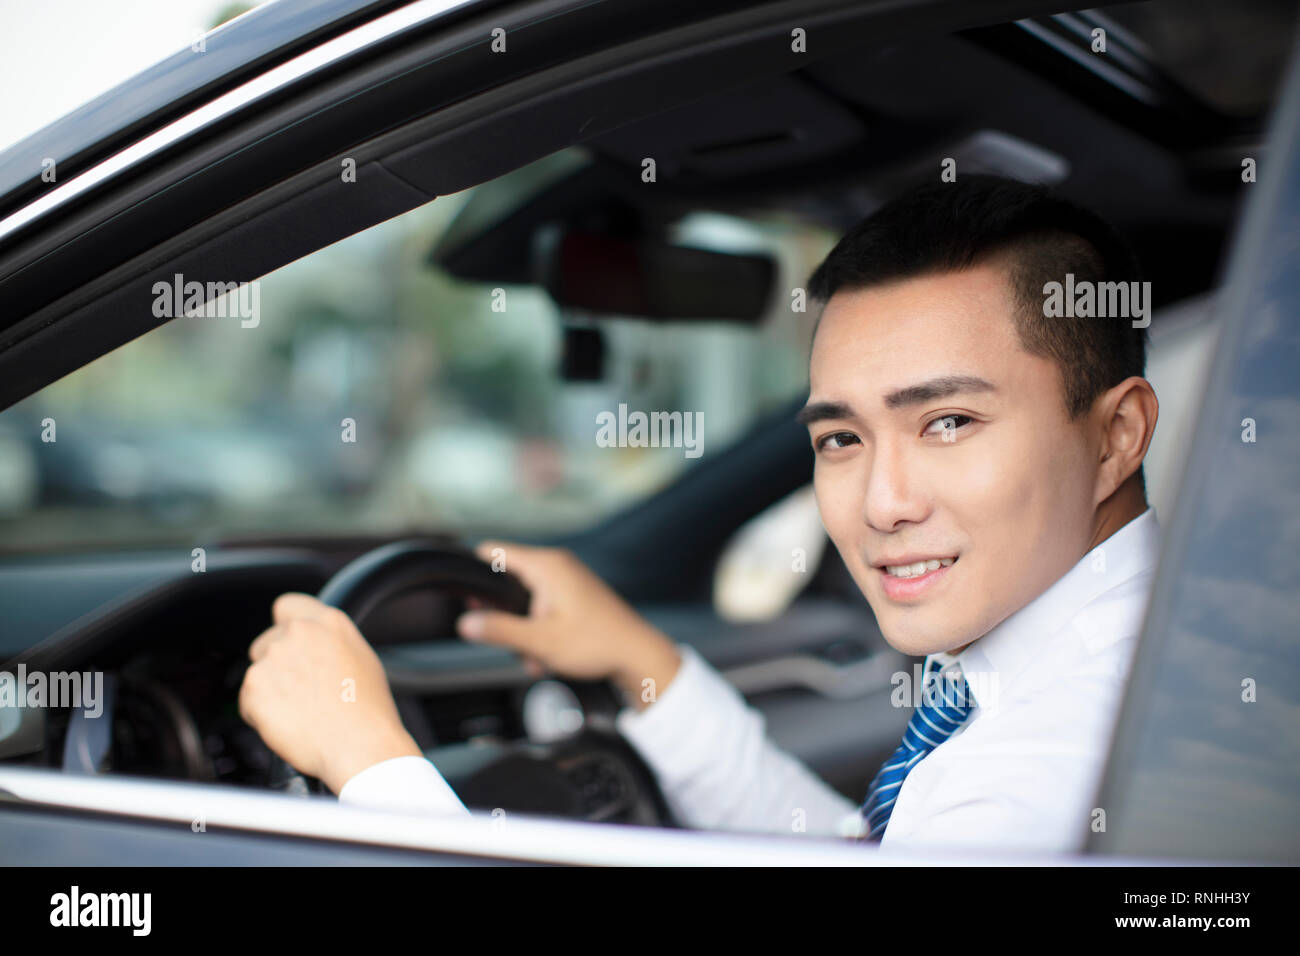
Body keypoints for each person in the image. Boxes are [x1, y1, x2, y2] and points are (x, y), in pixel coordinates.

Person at [238, 175, 1160, 851]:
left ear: (1117, 434)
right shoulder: (1128, 659)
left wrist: (372, 764)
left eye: (949, 422)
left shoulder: (1043, 780)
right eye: (841, 440)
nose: (884, 503)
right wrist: (645, 666)